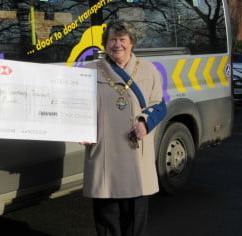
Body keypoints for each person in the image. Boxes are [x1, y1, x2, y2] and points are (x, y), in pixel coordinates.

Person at [81, 20, 167, 236]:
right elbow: (77, 106)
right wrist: (79, 129)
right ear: (105, 44)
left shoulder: (148, 71)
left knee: (135, 214)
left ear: (132, 43)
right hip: (103, 152)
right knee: (106, 214)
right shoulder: (89, 71)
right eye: (112, 40)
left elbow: (159, 104)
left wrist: (145, 123)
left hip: (135, 152)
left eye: (122, 40)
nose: (117, 45)